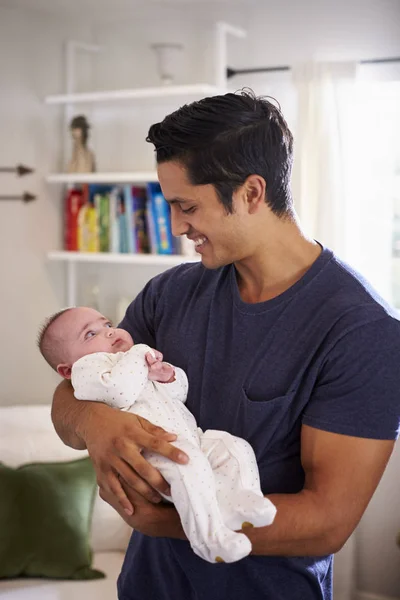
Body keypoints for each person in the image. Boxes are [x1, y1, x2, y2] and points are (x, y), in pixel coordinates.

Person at [51, 90, 400, 600]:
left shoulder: (363, 331)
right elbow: (71, 392)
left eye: (187, 206)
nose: (176, 227)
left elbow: (327, 521)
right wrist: (94, 423)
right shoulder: (168, 294)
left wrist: (163, 521)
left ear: (252, 193)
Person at [38, 306, 276, 564]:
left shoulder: (129, 360)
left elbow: (179, 393)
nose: (109, 333)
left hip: (191, 437)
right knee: (188, 465)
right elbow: (120, 392)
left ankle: (242, 498)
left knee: (233, 447)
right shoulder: (89, 370)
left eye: (107, 325)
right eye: (90, 334)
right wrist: (139, 354)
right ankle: (210, 538)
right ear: (66, 371)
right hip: (151, 452)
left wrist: (167, 376)